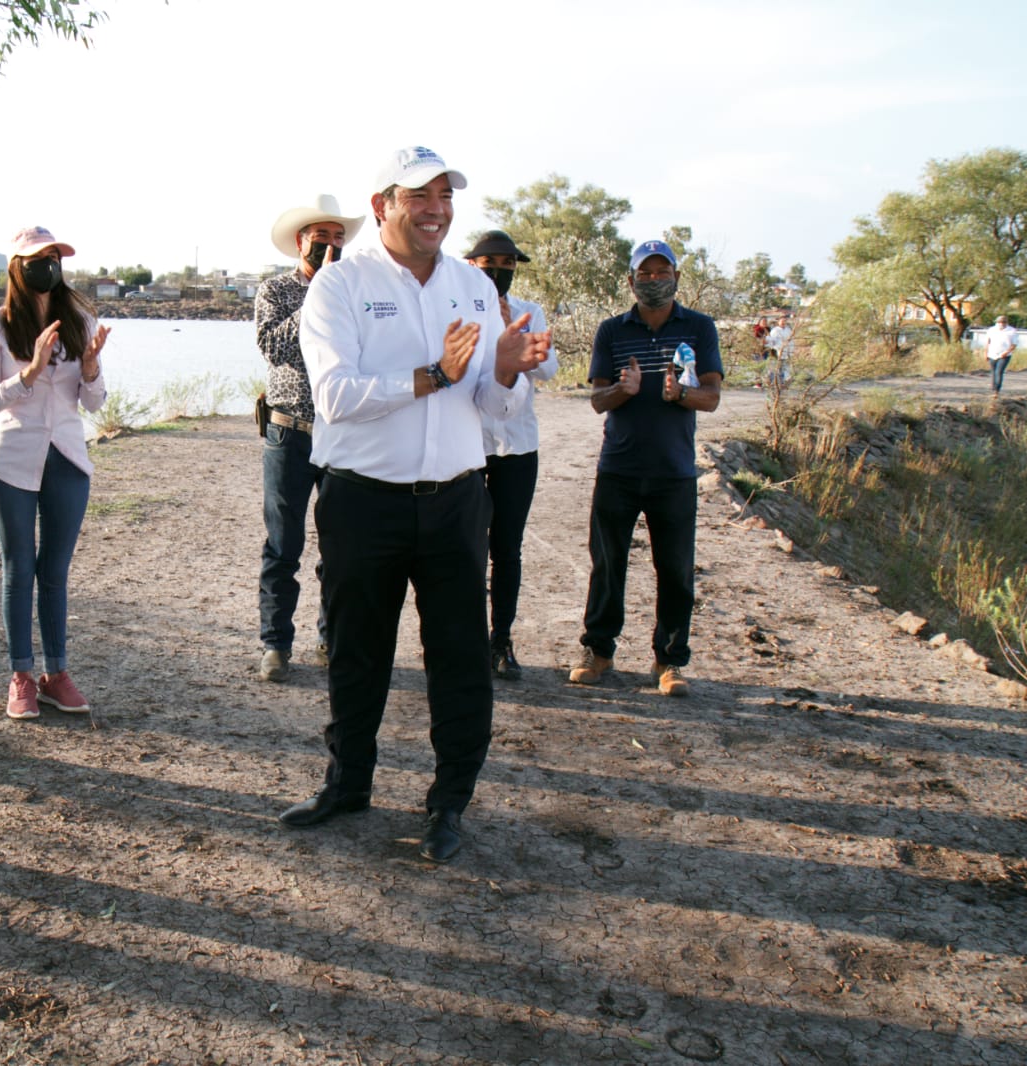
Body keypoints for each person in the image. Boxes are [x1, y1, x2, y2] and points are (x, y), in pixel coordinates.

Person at [280, 146, 551, 864]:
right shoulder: (340, 287)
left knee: (460, 659)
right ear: (382, 207)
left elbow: (492, 412)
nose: (436, 209)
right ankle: (349, 784)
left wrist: (504, 372)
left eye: (444, 196)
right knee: (356, 651)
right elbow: (335, 399)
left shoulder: (471, 286)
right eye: (418, 197)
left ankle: (449, 803)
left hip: (458, 502)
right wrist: (433, 374)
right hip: (362, 502)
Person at [568, 239, 722, 698]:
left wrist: (680, 396)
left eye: (662, 272)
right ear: (630, 280)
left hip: (674, 472)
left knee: (675, 568)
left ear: (677, 277)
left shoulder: (699, 328)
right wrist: (624, 389)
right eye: (645, 274)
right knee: (608, 565)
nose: (654, 281)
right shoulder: (612, 331)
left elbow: (711, 397)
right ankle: (598, 651)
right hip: (618, 469)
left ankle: (669, 661)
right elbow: (598, 400)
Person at [0, 226, 110, 720]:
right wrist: (27, 373)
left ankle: (57, 673)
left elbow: (93, 402)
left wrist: (91, 368)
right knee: (19, 569)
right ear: (17, 265)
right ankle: (21, 676)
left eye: (55, 256)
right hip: (10, 460)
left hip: (68, 459)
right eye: (38, 257)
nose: (48, 264)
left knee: (53, 572)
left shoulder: (80, 319)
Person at [254, 194, 364, 682]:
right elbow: (275, 348)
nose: (331, 247)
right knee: (283, 545)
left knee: (342, 546)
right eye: (322, 239)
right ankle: (276, 645)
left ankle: (330, 638)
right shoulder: (275, 291)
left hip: (341, 434)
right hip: (288, 432)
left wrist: (332, 290)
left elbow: (362, 353)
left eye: (338, 239)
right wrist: (317, 295)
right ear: (301, 242)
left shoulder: (354, 290)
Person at [462, 230, 558, 681]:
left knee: (508, 549)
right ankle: (465, 640)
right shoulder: (458, 308)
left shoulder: (528, 312)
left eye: (507, 263)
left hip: (518, 447)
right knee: (466, 548)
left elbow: (550, 369)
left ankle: (501, 640)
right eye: (489, 263)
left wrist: (509, 334)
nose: (499, 271)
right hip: (469, 447)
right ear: (471, 264)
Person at [985, 315, 1019, 395]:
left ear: (1006, 323)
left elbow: (1014, 344)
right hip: (992, 353)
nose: (1001, 324)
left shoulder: (1012, 331)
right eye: (999, 322)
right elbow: (987, 342)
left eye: (1003, 322)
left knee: (999, 371)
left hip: (1004, 355)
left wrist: (1006, 353)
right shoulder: (991, 330)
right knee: (993, 371)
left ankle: (997, 390)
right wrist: (985, 353)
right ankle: (993, 388)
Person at [765, 315, 793, 388]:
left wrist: (791, 350)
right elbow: (771, 340)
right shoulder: (775, 330)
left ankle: (781, 382)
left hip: (785, 351)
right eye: (782, 321)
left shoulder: (788, 330)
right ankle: (771, 381)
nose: (783, 322)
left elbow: (790, 341)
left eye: (785, 321)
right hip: (777, 350)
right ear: (779, 322)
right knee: (775, 367)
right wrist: (773, 348)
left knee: (783, 367)